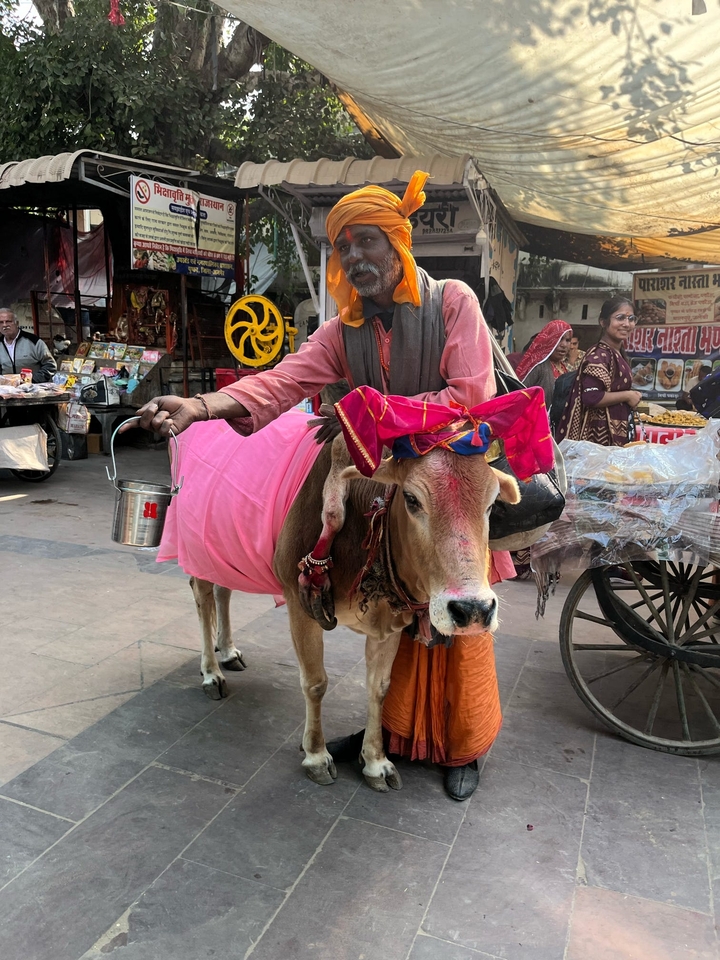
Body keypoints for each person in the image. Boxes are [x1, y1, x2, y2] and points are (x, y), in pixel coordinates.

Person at [136, 170, 514, 801]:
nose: (355, 257)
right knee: (380, 599)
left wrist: (368, 414)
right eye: (344, 247)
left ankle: (462, 748)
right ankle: (387, 733)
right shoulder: (344, 330)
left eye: (367, 241)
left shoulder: (454, 304)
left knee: (464, 611)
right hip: (381, 484)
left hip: (447, 489)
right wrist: (201, 407)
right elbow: (282, 381)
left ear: (398, 243)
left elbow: (469, 397)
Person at [555, 296, 642, 445]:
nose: (626, 324)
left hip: (612, 435)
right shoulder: (600, 355)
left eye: (631, 318)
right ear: (603, 322)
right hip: (597, 439)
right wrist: (627, 395)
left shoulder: (616, 352)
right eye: (620, 318)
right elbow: (592, 397)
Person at [515, 319, 573, 407]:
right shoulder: (538, 365)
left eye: (568, 340)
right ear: (549, 340)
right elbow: (519, 396)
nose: (564, 345)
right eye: (559, 339)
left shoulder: (564, 367)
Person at [0, 308, 57, 382]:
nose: (5, 325)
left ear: (17, 323)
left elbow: (50, 366)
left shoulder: (34, 341)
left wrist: (31, 380)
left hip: (33, 390)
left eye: (8, 321)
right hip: (8, 391)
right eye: (1, 322)